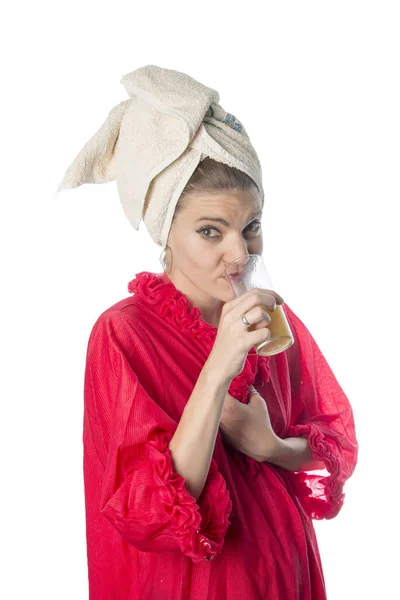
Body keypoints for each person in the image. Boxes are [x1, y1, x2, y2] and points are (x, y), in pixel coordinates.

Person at [58, 66, 358, 599]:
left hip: (286, 579)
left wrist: (272, 447)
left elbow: (331, 444)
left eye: (252, 227)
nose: (240, 254)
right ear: (164, 230)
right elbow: (151, 509)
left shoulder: (271, 322)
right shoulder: (122, 335)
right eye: (209, 231)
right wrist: (218, 368)